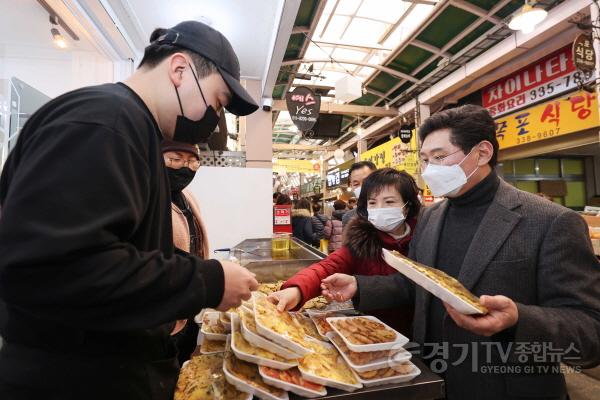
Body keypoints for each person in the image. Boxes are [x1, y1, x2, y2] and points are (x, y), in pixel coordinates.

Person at [0, 21, 260, 400]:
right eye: (217, 102)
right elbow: (55, 266)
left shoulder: (129, 127)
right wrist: (208, 282)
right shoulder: (105, 123)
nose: (214, 120)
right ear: (179, 70)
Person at [320, 105, 600, 400]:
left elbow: (590, 329)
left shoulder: (549, 221)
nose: (430, 170)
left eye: (440, 158)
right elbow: (419, 282)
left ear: (481, 153)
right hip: (432, 377)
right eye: (426, 160)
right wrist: (359, 286)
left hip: (505, 386)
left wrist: (519, 319)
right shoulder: (431, 217)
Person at [269, 168, 421, 335]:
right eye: (372, 203)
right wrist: (296, 290)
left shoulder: (426, 238)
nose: (379, 208)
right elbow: (328, 267)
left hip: (422, 333)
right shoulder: (362, 240)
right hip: (373, 334)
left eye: (389, 202)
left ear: (407, 206)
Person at [161, 140, 209, 365]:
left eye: (192, 162)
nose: (184, 167)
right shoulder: (150, 199)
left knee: (186, 356)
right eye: (175, 159)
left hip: (190, 303)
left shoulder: (188, 196)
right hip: (163, 312)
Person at [342, 161, 376, 228]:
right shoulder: (349, 217)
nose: (362, 187)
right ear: (351, 186)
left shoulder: (390, 210)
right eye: (356, 184)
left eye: (366, 181)